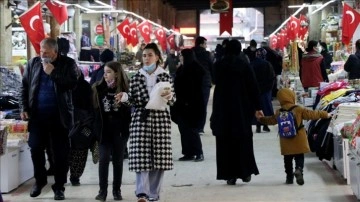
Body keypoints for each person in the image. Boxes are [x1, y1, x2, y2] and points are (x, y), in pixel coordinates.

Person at [19, 38, 78, 200]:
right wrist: (23, 108)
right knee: (35, 148)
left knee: (60, 154)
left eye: (46, 52)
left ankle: (59, 187)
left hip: (60, 117)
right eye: (40, 51)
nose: (42, 55)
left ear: (55, 52)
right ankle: (40, 180)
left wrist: (53, 73)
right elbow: (24, 87)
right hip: (37, 116)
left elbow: (72, 84)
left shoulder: (68, 64)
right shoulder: (33, 63)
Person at [115, 43, 174, 202]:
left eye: (150, 55)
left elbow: (172, 100)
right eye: (144, 55)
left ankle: (154, 194)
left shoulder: (165, 76)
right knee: (140, 156)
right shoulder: (136, 77)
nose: (146, 58)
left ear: (157, 57)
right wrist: (125, 97)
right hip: (140, 120)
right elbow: (132, 100)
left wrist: (169, 98)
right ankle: (142, 193)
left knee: (159, 158)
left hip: (160, 119)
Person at [211, 39, 264, 185]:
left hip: (223, 109)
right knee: (243, 140)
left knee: (225, 142)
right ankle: (245, 172)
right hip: (242, 108)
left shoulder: (218, 65)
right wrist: (258, 107)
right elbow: (253, 87)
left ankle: (229, 175)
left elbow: (214, 80)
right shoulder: (244, 65)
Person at [258, 88, 330, 185]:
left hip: (285, 139)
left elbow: (271, 120)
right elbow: (312, 114)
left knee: (287, 159)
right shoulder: (298, 109)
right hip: (298, 138)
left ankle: (289, 178)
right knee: (299, 156)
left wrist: (261, 119)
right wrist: (325, 114)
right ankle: (299, 169)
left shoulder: (279, 112)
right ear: (292, 96)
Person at [92, 61, 131, 201]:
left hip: (120, 131)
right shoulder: (97, 88)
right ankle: (102, 191)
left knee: (118, 160)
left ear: (116, 73)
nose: (105, 75)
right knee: (103, 160)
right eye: (104, 72)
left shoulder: (126, 89)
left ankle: (117, 190)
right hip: (103, 131)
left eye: (108, 72)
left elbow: (130, 110)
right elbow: (93, 110)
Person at [174, 49, 205, 162]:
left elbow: (195, 88)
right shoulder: (182, 68)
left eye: (182, 55)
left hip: (193, 104)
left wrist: (188, 101)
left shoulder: (195, 68)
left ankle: (198, 152)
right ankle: (188, 153)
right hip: (181, 104)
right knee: (183, 128)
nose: (180, 57)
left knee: (192, 129)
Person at [68, 70, 94, 186]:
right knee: (80, 151)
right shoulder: (85, 86)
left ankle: (73, 176)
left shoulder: (82, 87)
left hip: (78, 122)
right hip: (82, 123)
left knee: (77, 150)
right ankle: (75, 176)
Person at [250, 48, 275, 133]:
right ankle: (265, 125)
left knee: (257, 107)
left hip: (254, 90)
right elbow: (272, 78)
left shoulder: (251, 64)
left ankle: (258, 124)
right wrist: (270, 89)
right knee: (265, 107)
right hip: (265, 90)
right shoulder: (267, 64)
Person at [192, 36, 213, 135]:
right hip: (205, 81)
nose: (206, 46)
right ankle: (200, 128)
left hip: (192, 81)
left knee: (193, 104)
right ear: (201, 44)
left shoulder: (191, 53)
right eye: (205, 43)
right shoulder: (206, 54)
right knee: (203, 105)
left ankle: (193, 126)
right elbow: (211, 66)